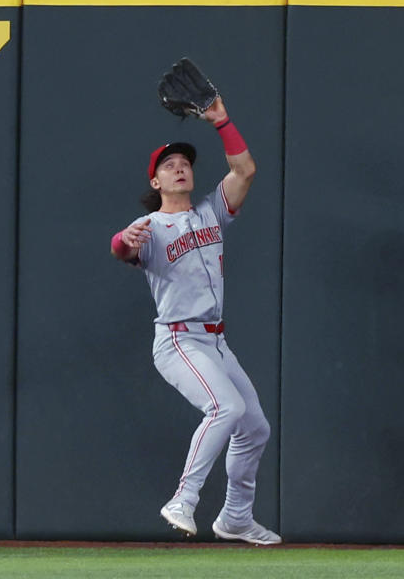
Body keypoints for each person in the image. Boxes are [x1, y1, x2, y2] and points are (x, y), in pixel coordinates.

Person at [110, 97, 281, 545]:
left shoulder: (210, 212)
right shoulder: (147, 226)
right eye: (169, 165)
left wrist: (222, 122)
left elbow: (244, 171)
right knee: (226, 407)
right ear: (156, 179)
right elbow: (123, 250)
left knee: (255, 428)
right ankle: (182, 500)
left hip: (216, 343)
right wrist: (122, 239)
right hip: (178, 341)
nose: (180, 168)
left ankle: (236, 517)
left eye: (185, 162)